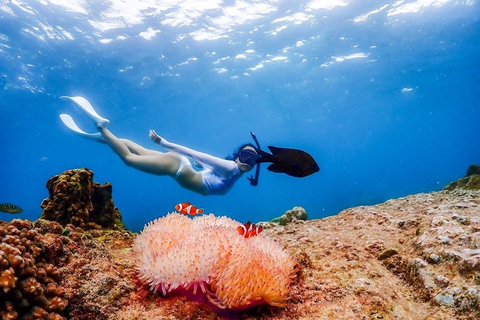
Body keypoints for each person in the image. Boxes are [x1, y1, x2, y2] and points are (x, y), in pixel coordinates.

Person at [59, 96, 260, 195]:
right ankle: (102, 128)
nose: (248, 162)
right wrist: (164, 143)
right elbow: (195, 153)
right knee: (129, 159)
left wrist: (200, 168)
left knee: (137, 149)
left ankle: (99, 137)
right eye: (245, 156)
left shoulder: (232, 171)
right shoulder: (229, 168)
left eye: (253, 160)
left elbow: (203, 167)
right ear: (236, 157)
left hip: (180, 165)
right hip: (176, 167)